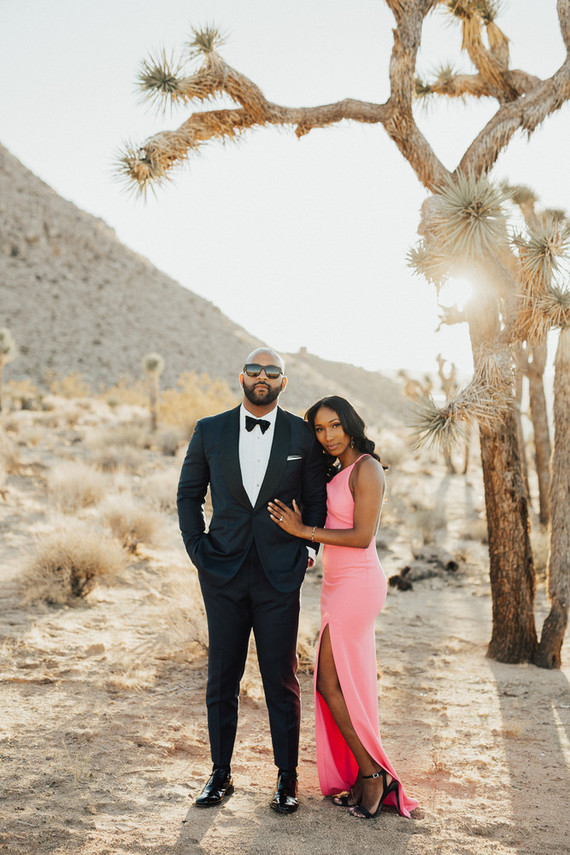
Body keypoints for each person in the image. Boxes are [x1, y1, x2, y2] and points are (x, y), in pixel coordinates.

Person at [177, 348, 327, 814]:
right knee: (222, 677)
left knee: (280, 678)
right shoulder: (210, 429)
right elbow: (187, 494)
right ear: (242, 376)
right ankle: (220, 774)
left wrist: (307, 551)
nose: (263, 377)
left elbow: (315, 499)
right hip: (220, 570)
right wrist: (197, 549)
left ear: (284, 381)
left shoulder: (303, 434)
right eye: (256, 370)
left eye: (273, 372)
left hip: (279, 575)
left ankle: (287, 778)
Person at [268, 395, 418, 819]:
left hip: (357, 584)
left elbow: (361, 536)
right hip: (336, 584)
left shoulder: (367, 468)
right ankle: (362, 775)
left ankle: (373, 776)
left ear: (350, 423)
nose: (327, 436)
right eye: (319, 429)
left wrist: (303, 531)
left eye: (334, 426)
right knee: (338, 685)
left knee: (330, 685)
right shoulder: (338, 469)